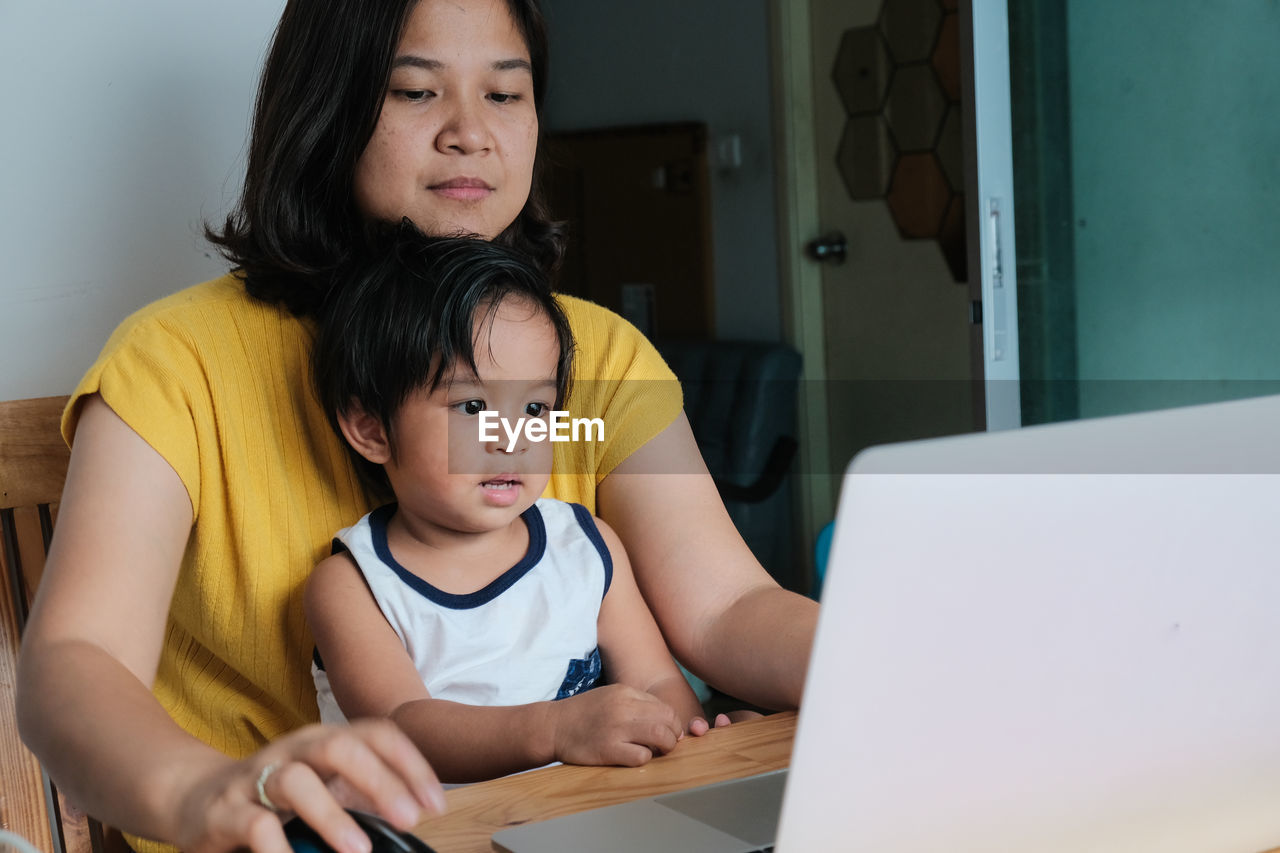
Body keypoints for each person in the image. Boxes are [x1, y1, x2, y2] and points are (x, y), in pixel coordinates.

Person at [15, 1, 819, 852]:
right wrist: (205, 787)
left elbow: (729, 605)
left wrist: (886, 663)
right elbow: (76, 660)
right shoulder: (178, 361)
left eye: (506, 96)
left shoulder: (602, 353)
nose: (470, 132)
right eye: (413, 91)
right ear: (327, 109)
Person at [307, 228, 707, 783]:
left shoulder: (585, 546)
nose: (511, 438)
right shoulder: (352, 586)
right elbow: (402, 726)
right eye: (472, 405)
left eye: (536, 408)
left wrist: (690, 743)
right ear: (371, 429)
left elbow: (657, 683)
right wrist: (556, 730)